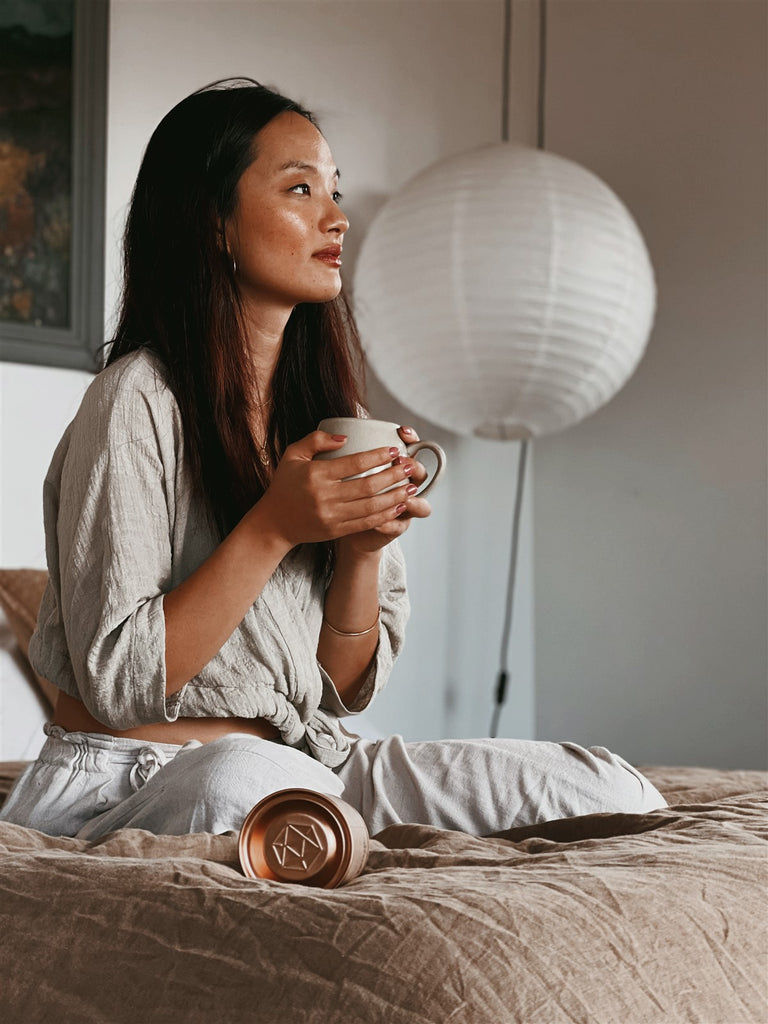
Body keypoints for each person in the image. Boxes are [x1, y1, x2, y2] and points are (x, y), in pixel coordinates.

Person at [0, 79, 665, 840]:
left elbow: (344, 691)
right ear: (213, 221)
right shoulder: (136, 399)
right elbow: (122, 682)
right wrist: (274, 526)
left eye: (335, 191)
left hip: (311, 762)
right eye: (301, 189)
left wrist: (361, 555)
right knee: (243, 779)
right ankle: (328, 833)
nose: (337, 218)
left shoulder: (332, 419)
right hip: (129, 780)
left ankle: (330, 830)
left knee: (607, 788)